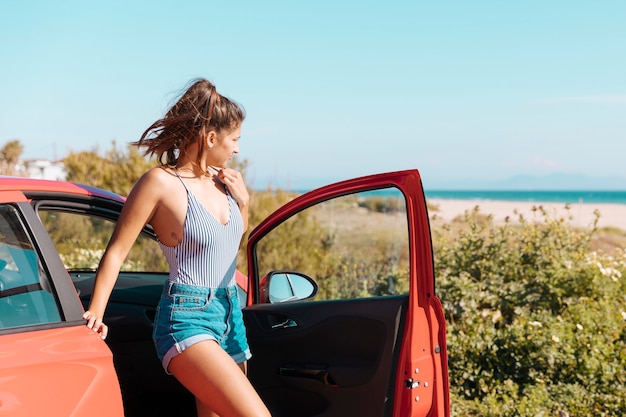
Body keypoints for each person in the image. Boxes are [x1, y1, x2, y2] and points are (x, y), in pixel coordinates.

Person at [83, 78, 271, 417]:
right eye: (235, 139)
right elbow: (116, 250)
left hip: (230, 313)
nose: (238, 150)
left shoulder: (224, 183)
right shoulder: (161, 183)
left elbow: (226, 249)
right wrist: (96, 311)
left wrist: (243, 204)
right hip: (188, 316)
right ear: (211, 138)